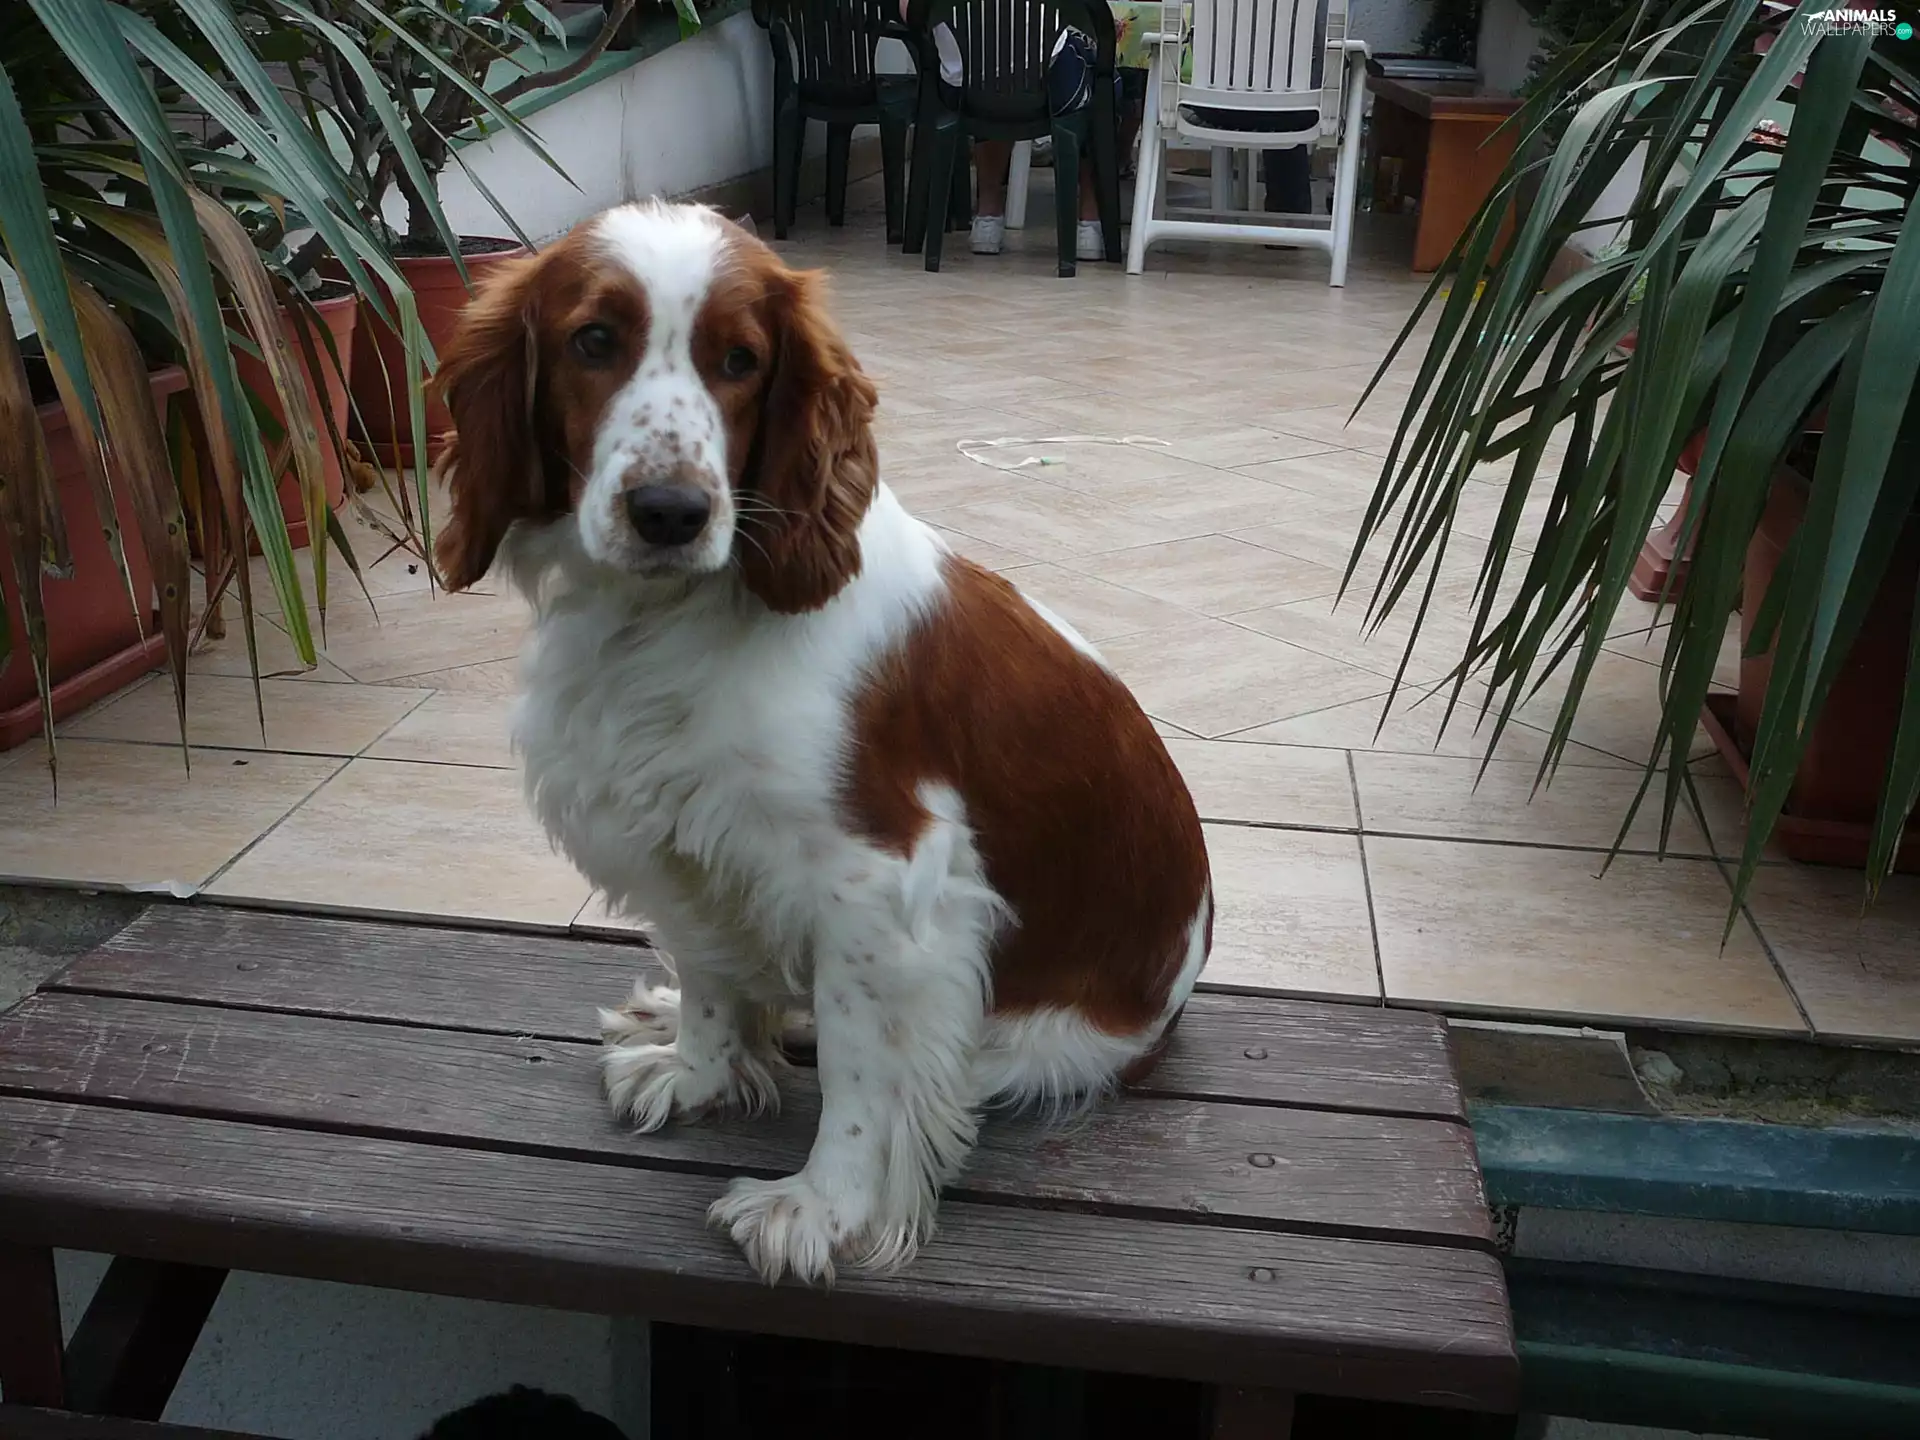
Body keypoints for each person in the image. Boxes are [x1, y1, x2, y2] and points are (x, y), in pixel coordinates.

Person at [903, 3, 1119, 260]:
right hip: (1042, 90)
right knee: (1103, 80)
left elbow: (911, 12)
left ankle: (988, 217)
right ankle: (1089, 222)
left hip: (961, 92)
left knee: (991, 76)